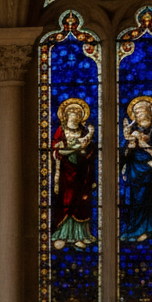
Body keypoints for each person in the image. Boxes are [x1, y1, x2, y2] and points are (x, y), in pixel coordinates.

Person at [49, 98, 97, 250]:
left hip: (82, 171)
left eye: (78, 114)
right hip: (65, 171)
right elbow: (56, 150)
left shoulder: (84, 132)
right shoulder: (60, 131)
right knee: (65, 199)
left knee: (81, 200)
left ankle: (80, 235)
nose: (75, 116)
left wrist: (86, 147)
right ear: (66, 116)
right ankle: (62, 234)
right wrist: (73, 149)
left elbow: (91, 151)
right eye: (72, 113)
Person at [120, 96, 152, 243]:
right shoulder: (131, 131)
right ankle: (137, 229)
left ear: (151, 112)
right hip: (136, 172)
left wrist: (141, 142)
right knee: (138, 200)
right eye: (136, 112)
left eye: (142, 111)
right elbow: (123, 155)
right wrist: (130, 146)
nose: (138, 115)